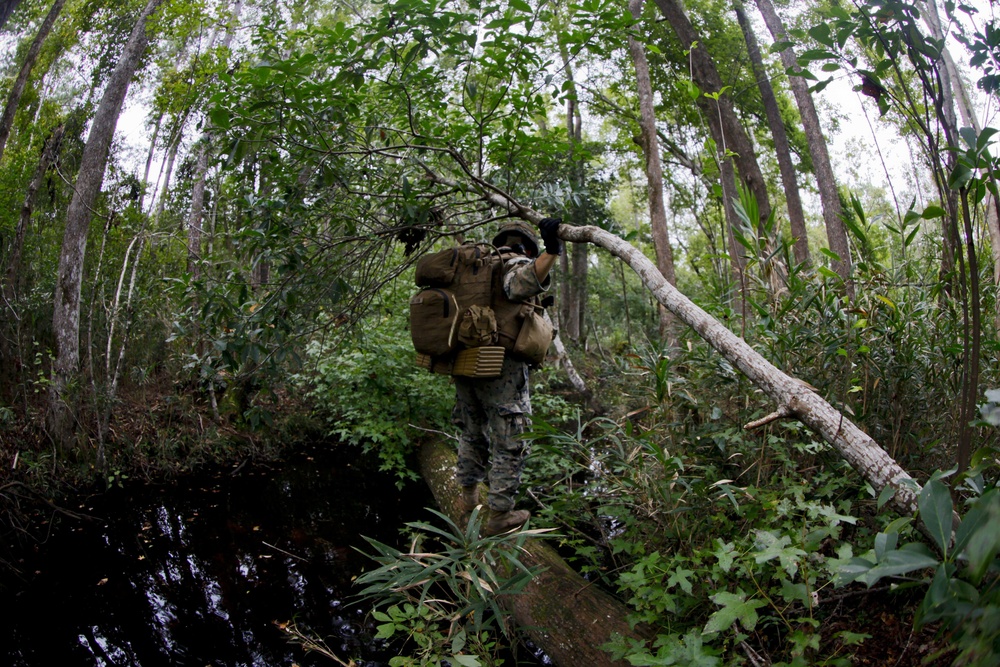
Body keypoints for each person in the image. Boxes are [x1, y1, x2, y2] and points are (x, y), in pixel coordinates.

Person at [453, 217, 562, 536]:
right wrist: (552, 249)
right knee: (510, 442)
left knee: (472, 433)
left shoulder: (474, 270)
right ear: (526, 246)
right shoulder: (512, 261)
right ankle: (499, 515)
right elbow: (522, 282)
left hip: (465, 365)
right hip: (500, 371)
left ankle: (469, 499)